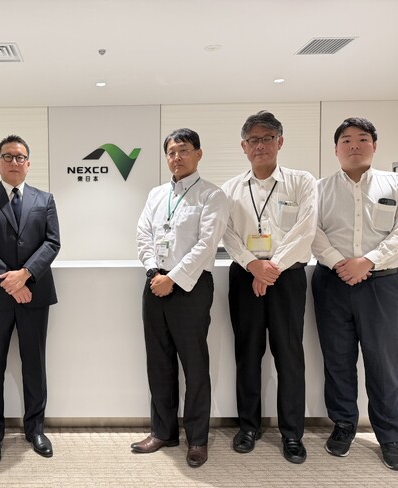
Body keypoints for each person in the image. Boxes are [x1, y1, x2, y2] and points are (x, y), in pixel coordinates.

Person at [311, 117, 398, 471]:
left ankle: (391, 436)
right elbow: (312, 231)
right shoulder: (319, 189)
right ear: (336, 149)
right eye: (347, 140)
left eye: (363, 139)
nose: (354, 145)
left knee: (384, 362)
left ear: (374, 145)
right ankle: (343, 425)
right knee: (337, 359)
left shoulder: (397, 183)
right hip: (332, 283)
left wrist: (368, 261)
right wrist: (340, 263)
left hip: (382, 284)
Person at [221, 110, 317, 464]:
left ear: (280, 141)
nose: (259, 145)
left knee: (289, 355)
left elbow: (306, 228)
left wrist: (271, 268)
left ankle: (292, 434)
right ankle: (248, 427)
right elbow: (227, 233)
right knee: (247, 353)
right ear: (243, 147)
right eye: (253, 140)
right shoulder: (230, 189)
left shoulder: (301, 181)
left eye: (267, 138)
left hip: (286, 277)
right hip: (245, 275)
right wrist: (254, 266)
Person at [132, 128, 229, 468]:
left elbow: (207, 245)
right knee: (158, 362)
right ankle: (163, 431)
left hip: (190, 287)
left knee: (194, 364)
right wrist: (153, 271)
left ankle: (197, 439)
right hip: (154, 284)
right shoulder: (157, 194)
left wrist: (172, 278)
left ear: (198, 154)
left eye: (184, 150)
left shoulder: (212, 195)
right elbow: (143, 234)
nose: (177, 157)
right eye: (172, 152)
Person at [0, 134, 61, 467]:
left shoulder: (45, 199)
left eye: (20, 157)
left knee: (34, 364)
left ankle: (36, 430)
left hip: (34, 294)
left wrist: (26, 275)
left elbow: (52, 243)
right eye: (7, 156)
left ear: (28, 163)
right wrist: (10, 281)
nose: (14, 162)